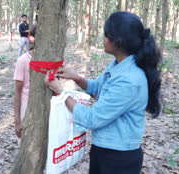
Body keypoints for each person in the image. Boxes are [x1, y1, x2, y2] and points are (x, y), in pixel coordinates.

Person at [45, 12, 161, 174]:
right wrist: (76, 78)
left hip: (119, 159)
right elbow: (99, 88)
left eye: (106, 35)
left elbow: (92, 119)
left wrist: (61, 92)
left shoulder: (129, 80)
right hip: (105, 151)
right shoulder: (119, 64)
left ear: (118, 42)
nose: (102, 38)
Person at [13, 24, 37, 139]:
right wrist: (17, 121)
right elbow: (17, 91)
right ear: (32, 38)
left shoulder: (52, 62)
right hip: (27, 107)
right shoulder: (22, 60)